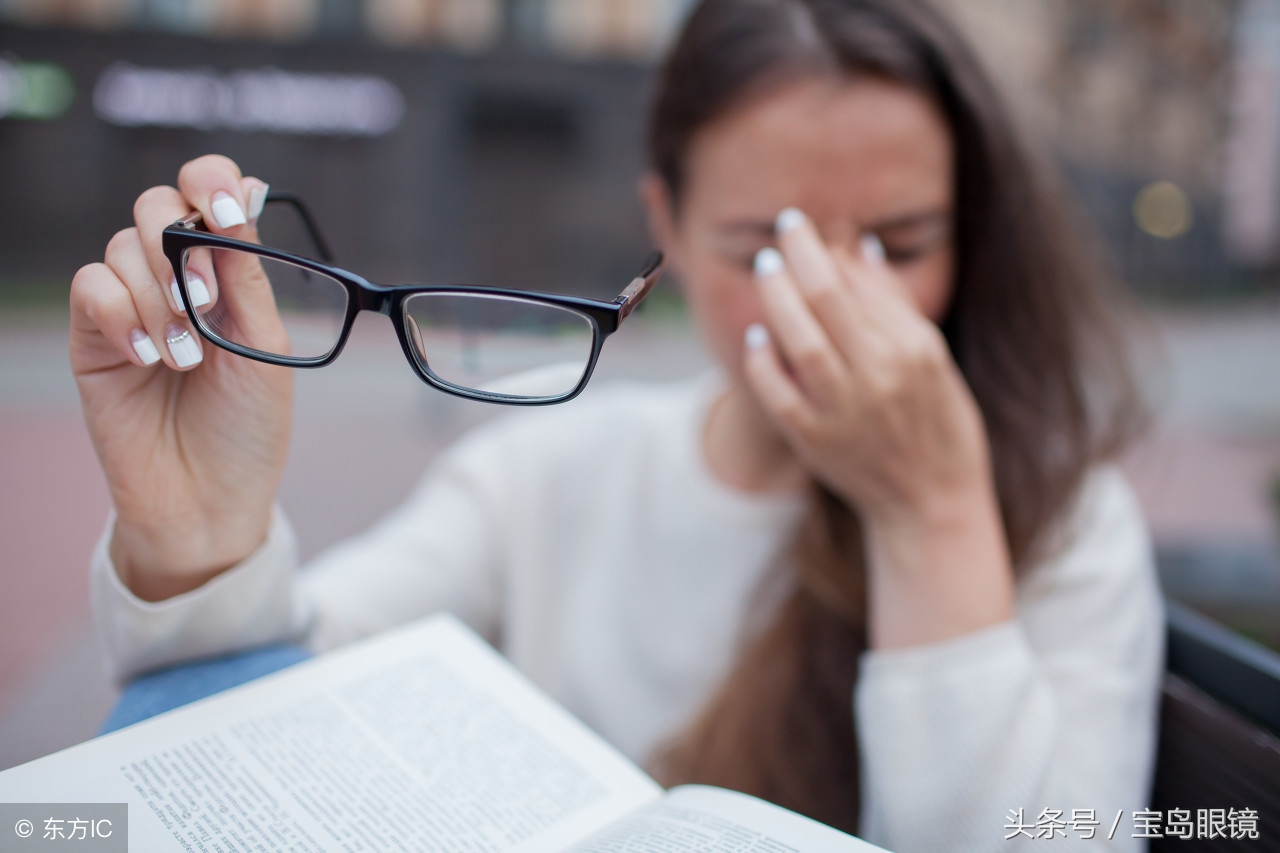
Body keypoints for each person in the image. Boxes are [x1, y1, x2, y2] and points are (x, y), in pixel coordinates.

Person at [69, 0, 1163, 849]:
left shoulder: (1060, 518)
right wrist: (200, 530)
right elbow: (275, 710)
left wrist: (931, 513)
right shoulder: (552, 465)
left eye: (901, 243)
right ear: (665, 230)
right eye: (764, 250)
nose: (831, 302)